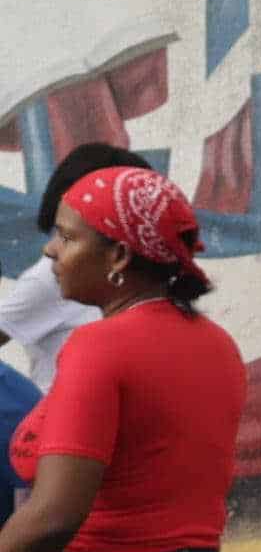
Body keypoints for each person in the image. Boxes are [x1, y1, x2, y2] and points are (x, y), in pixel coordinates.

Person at [0, 166, 245, 552]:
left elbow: (52, 519)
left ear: (119, 257)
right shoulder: (217, 344)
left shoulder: (100, 347)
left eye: (66, 236)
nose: (49, 251)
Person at [0, 144, 155, 392]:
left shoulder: (148, 285)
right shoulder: (51, 276)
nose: (50, 250)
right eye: (62, 234)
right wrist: (18, 403)